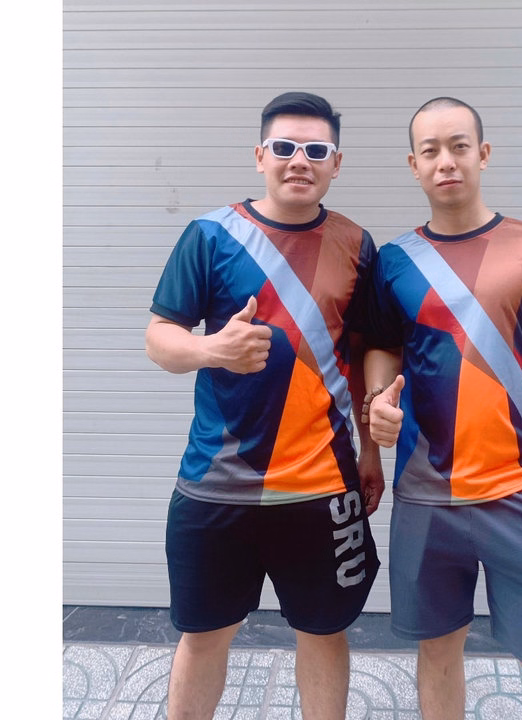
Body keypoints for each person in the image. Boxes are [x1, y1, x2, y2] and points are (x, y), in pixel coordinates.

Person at [145, 91, 383, 720]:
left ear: (336, 163)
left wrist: (371, 453)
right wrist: (212, 349)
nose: (299, 160)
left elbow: (364, 358)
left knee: (324, 633)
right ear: (260, 156)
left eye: (316, 150)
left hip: (322, 485)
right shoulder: (210, 235)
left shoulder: (357, 244)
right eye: (284, 147)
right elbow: (159, 340)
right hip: (216, 484)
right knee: (204, 636)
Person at [363, 96, 522, 720]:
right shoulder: (393, 261)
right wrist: (378, 399)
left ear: (483, 154)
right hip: (425, 495)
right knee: (437, 656)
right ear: (413, 165)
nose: (446, 161)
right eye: (431, 151)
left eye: (459, 146)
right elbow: (382, 346)